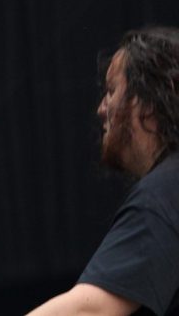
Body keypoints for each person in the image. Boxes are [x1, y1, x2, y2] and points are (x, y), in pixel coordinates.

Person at [27, 26, 179, 316]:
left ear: (147, 103)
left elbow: (90, 310)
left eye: (111, 91)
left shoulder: (163, 195)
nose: (101, 108)